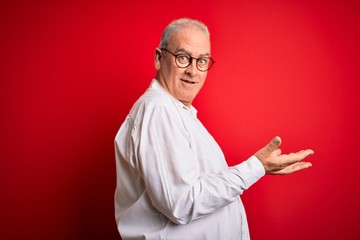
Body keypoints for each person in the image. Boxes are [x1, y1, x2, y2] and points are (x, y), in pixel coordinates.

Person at [114, 18, 314, 240]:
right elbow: (181, 203)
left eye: (202, 61)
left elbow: (198, 189)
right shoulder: (159, 109)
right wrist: (255, 167)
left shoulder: (179, 112)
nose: (193, 71)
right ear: (159, 58)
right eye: (183, 58)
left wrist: (260, 169)